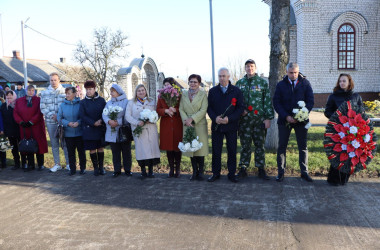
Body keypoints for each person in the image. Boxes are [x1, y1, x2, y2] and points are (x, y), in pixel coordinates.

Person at [273, 62, 314, 182]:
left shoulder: (305, 83)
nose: (293, 75)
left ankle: (304, 172)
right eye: (291, 73)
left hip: (301, 121)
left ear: (298, 71)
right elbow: (276, 102)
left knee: (303, 146)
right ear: (287, 72)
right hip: (284, 120)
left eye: (295, 72)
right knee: (282, 146)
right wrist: (286, 116)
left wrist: (301, 115)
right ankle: (281, 172)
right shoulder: (280, 85)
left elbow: (310, 101)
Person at [235, 59, 274, 180]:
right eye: (247, 66)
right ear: (245, 68)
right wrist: (239, 111)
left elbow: (267, 101)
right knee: (245, 145)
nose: (249, 68)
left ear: (255, 68)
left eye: (251, 66)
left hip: (259, 120)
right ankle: (243, 168)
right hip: (244, 121)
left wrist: (268, 118)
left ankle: (261, 168)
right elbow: (236, 101)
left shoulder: (262, 83)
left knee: (259, 145)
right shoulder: (239, 83)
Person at [324, 73, 363, 185]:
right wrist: (338, 117)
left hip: (353, 130)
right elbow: (327, 111)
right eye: (340, 81)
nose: (342, 83)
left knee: (349, 153)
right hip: (338, 130)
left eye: (344, 81)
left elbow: (361, 112)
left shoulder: (356, 96)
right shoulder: (333, 96)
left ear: (349, 82)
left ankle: (344, 179)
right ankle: (334, 179)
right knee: (338, 153)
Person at [207, 68, 244, 183]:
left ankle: (232, 173)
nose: (222, 78)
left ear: (229, 77)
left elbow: (240, 108)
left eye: (224, 76)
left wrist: (230, 119)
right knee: (216, 150)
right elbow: (209, 107)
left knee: (232, 150)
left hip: (231, 126)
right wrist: (215, 118)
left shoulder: (236, 91)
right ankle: (216, 173)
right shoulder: (213, 91)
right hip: (217, 126)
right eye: (220, 76)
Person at [125, 84, 160, 178]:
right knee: (141, 150)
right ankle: (143, 170)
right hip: (139, 130)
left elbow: (157, 114)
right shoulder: (131, 103)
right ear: (136, 93)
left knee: (151, 149)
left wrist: (153, 119)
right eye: (139, 91)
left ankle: (151, 171)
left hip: (151, 129)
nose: (141, 92)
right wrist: (137, 122)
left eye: (143, 90)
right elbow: (127, 116)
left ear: (146, 91)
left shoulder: (151, 101)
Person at [179, 74, 209, 181]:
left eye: (195, 82)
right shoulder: (184, 94)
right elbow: (181, 109)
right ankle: (194, 171)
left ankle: (201, 172)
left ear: (199, 83)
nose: (193, 84)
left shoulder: (203, 94)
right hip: (187, 124)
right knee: (190, 148)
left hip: (199, 124)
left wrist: (192, 119)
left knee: (199, 149)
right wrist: (186, 120)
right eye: (191, 81)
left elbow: (203, 109)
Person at [13, 85, 48, 171]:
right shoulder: (19, 101)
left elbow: (40, 112)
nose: (31, 92)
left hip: (37, 126)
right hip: (25, 127)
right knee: (28, 145)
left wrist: (31, 121)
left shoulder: (39, 100)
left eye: (33, 90)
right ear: (26, 91)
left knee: (38, 144)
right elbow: (15, 112)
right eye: (29, 90)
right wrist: (20, 122)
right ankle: (30, 164)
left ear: (35, 91)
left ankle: (40, 164)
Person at [40, 72, 69, 172]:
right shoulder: (44, 93)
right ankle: (57, 164)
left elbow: (67, 105)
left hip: (63, 122)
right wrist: (52, 116)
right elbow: (43, 107)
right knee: (54, 143)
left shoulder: (65, 92)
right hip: (51, 121)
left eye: (55, 80)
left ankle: (68, 163)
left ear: (59, 80)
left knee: (65, 143)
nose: (53, 82)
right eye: (51, 80)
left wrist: (60, 116)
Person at [103, 84, 132, 178]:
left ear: (118, 92)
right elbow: (104, 114)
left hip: (123, 130)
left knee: (126, 151)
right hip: (112, 131)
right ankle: (117, 170)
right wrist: (109, 121)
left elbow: (128, 115)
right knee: (115, 152)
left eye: (113, 91)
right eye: (110, 91)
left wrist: (118, 122)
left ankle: (127, 170)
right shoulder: (109, 103)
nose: (111, 93)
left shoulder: (126, 102)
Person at [156, 77, 183, 178]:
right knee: (169, 147)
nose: (166, 87)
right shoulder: (161, 97)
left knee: (177, 146)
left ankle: (178, 169)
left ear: (173, 86)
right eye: (165, 85)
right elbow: (158, 109)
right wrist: (166, 111)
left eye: (168, 85)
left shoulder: (179, 96)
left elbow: (183, 108)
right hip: (166, 124)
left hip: (177, 123)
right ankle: (171, 168)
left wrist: (175, 110)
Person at [79, 80, 107, 176]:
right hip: (89, 129)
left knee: (100, 148)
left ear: (95, 89)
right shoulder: (83, 102)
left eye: (90, 89)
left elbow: (106, 112)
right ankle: (95, 168)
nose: (88, 91)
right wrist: (93, 123)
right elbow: (82, 115)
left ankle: (101, 167)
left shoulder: (102, 100)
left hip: (100, 127)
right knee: (92, 149)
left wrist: (100, 120)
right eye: (87, 89)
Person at [57, 87, 86, 176]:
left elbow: (84, 116)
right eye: (66, 93)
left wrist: (78, 122)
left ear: (74, 94)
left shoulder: (81, 104)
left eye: (69, 93)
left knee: (81, 152)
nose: (67, 95)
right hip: (68, 133)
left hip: (79, 132)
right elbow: (59, 118)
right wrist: (68, 123)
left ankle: (82, 168)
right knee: (70, 152)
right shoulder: (62, 105)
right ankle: (72, 169)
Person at [0, 91, 26, 170]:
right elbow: (2, 118)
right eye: (7, 96)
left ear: (14, 96)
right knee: (14, 148)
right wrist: (3, 129)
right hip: (9, 130)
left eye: (10, 95)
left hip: (19, 129)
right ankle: (17, 163)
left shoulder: (17, 105)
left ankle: (24, 163)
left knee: (21, 147)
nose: (9, 97)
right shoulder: (4, 106)